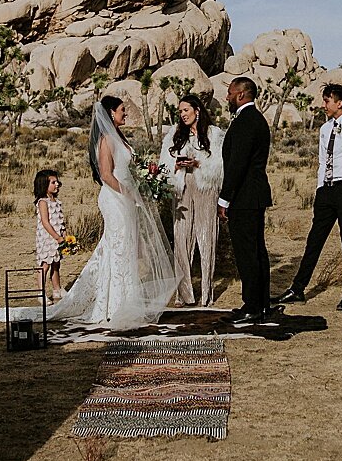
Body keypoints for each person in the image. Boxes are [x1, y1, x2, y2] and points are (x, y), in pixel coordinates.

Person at [42, 96, 179, 330]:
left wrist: (144, 180)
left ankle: (125, 300)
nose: (125, 114)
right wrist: (128, 192)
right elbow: (106, 174)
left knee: (124, 247)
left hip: (125, 198)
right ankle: (116, 305)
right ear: (111, 113)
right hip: (115, 199)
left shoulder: (119, 138)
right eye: (122, 110)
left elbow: (126, 168)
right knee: (119, 247)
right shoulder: (106, 139)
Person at [274, 82, 342, 310]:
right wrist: (319, 187)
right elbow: (323, 161)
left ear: (339, 103)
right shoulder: (325, 129)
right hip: (326, 190)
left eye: (327, 101)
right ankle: (298, 288)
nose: (324, 105)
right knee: (314, 240)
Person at [158, 94, 223, 306]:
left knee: (206, 238)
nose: (182, 114)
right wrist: (176, 167)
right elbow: (164, 165)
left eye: (185, 110)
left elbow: (219, 166)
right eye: (180, 111)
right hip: (182, 189)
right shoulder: (174, 136)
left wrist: (198, 164)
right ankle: (183, 294)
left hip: (205, 189)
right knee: (181, 239)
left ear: (197, 110)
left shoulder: (214, 134)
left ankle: (206, 293)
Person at [220, 76, 275, 326]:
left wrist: (224, 198)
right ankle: (261, 303)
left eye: (230, 93)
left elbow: (237, 165)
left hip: (244, 197)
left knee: (247, 253)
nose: (227, 97)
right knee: (256, 250)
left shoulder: (245, 122)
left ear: (241, 95)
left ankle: (253, 306)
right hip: (254, 195)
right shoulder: (256, 119)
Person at [33, 169, 67, 300]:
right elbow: (46, 222)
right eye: (53, 182)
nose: (57, 184)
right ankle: (40, 293)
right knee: (45, 265)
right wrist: (56, 237)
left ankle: (57, 289)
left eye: (57, 181)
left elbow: (60, 220)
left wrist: (64, 234)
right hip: (48, 239)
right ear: (44, 185)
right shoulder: (43, 202)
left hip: (58, 238)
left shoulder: (56, 202)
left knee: (56, 263)